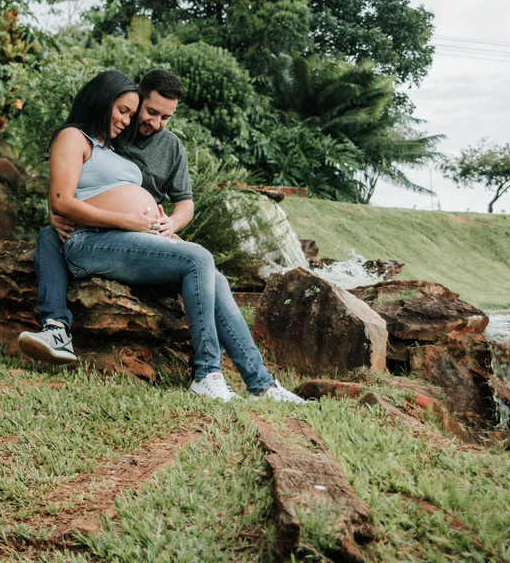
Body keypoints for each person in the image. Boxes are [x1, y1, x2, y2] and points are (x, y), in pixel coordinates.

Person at [17, 69, 303, 403]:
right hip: (95, 239)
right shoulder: (77, 136)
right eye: (131, 111)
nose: (134, 120)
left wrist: (163, 229)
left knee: (215, 278)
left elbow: (171, 200)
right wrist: (103, 216)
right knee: (199, 257)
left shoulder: (116, 145)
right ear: (106, 101)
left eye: (162, 116)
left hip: (133, 240)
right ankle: (207, 374)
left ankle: (262, 385)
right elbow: (63, 197)